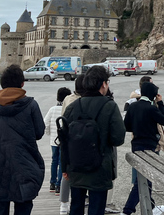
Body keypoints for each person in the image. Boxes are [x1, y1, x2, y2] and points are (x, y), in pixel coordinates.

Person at [0, 64, 45, 215]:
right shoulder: (31, 105)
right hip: (24, 165)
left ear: (2, 84)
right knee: (23, 206)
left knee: (0, 208)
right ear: (22, 84)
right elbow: (39, 133)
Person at [62, 66, 125, 215]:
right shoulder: (109, 106)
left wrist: (64, 167)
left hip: (75, 166)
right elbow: (118, 138)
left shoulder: (72, 106)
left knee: (76, 206)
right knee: (96, 208)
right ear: (103, 84)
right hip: (100, 166)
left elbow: (64, 141)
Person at [120, 81, 164, 215]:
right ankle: (127, 210)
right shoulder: (152, 108)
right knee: (144, 179)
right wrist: (161, 103)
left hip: (136, 145)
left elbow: (127, 126)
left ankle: (151, 207)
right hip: (149, 146)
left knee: (143, 177)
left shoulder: (133, 106)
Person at [59, 76, 85, 214]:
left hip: (66, 137)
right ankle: (64, 203)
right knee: (68, 174)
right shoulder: (77, 101)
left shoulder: (68, 98)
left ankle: (64, 203)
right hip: (74, 139)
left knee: (65, 172)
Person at [44, 87, 72, 194]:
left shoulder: (52, 109)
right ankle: (59, 185)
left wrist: (49, 133)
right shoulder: (68, 109)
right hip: (64, 140)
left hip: (53, 141)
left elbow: (45, 123)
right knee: (62, 161)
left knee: (54, 161)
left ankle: (52, 182)